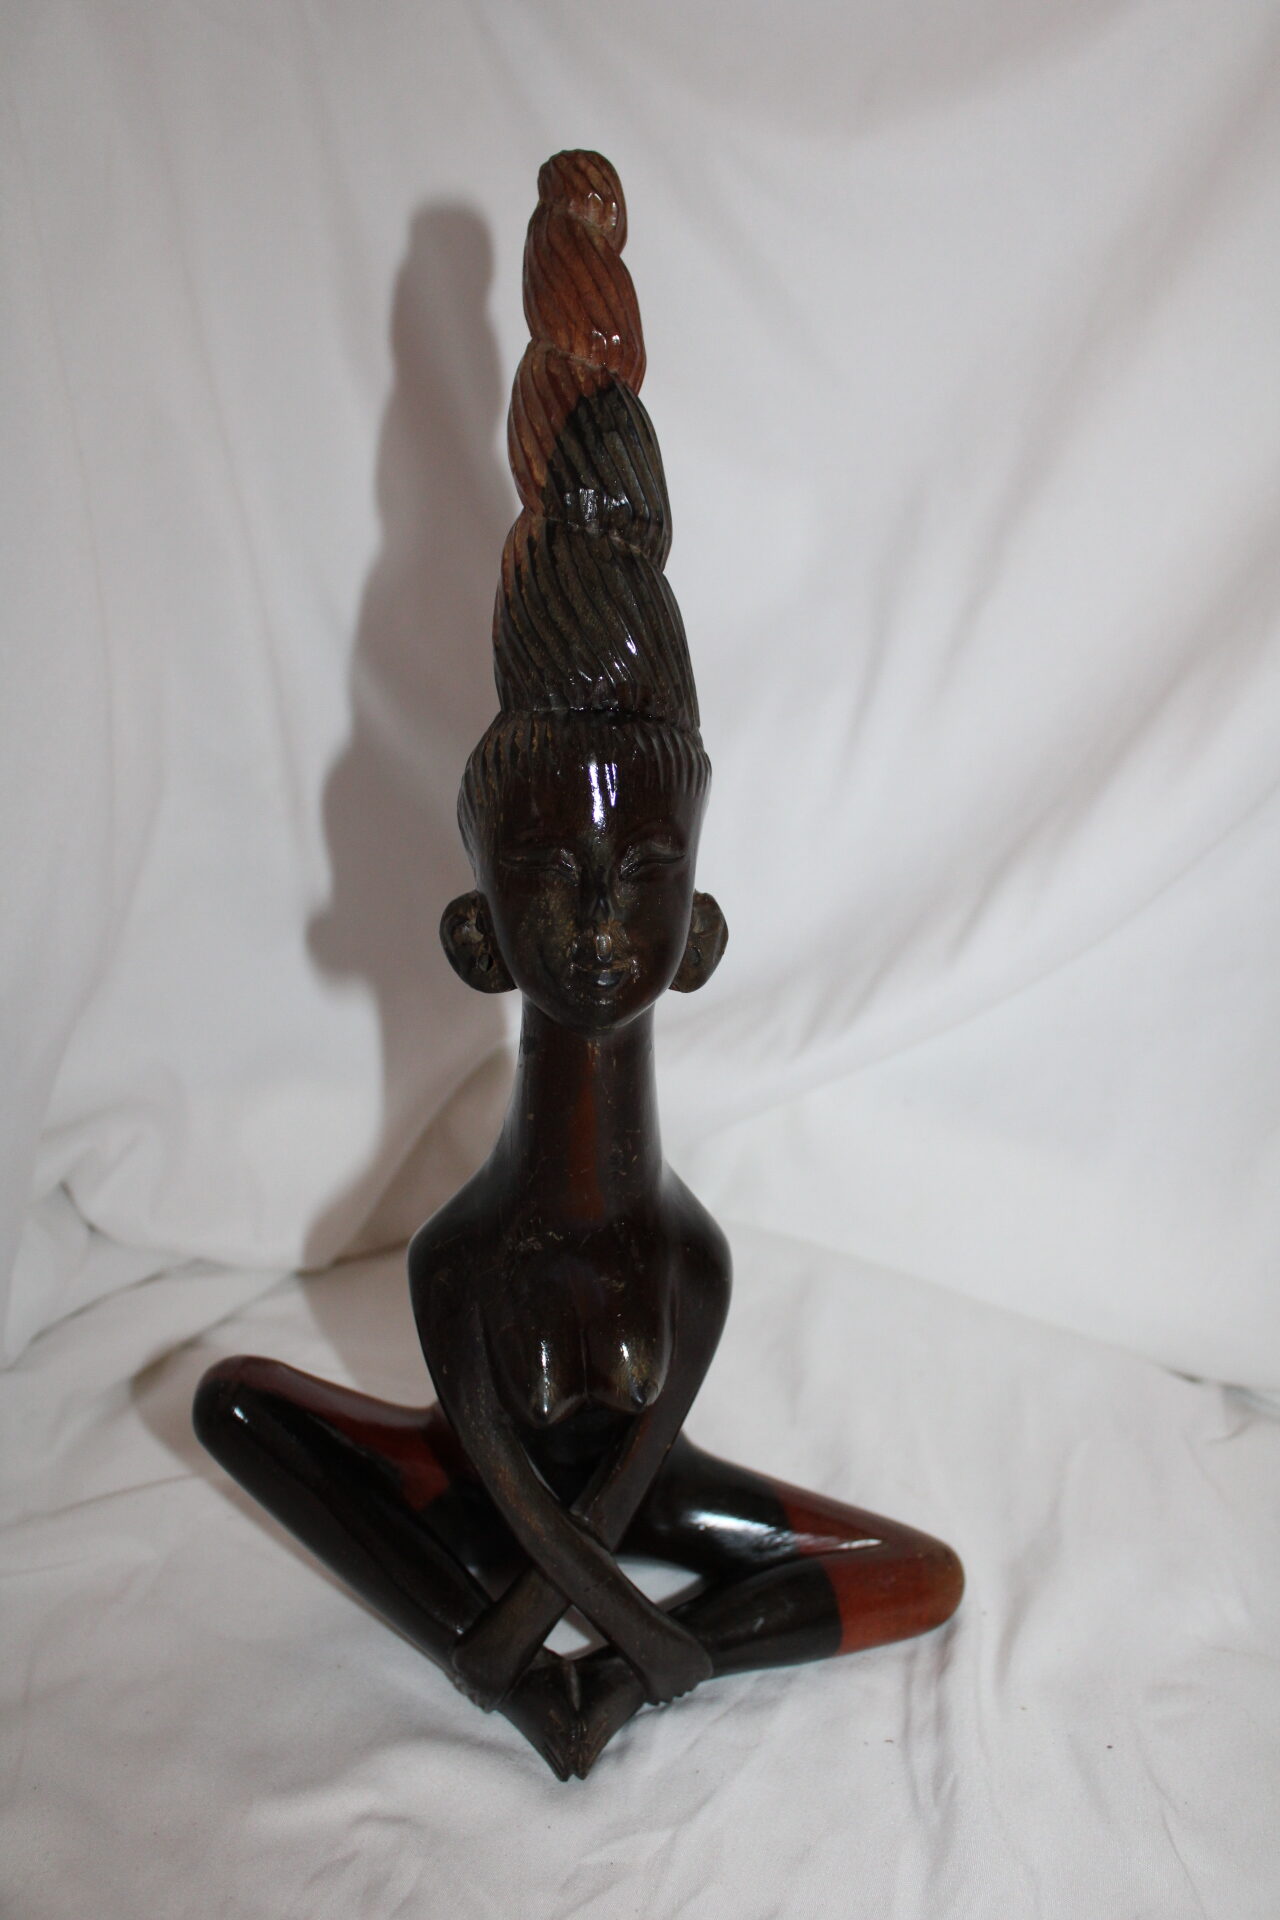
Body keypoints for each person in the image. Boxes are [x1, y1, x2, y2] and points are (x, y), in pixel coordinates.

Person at [194, 152, 962, 1780]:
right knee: (240, 1410)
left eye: (644, 880)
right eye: (551, 878)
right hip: (499, 1492)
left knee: (922, 1572)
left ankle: (571, 1606)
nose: (604, 918)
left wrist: (579, 1685)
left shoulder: (693, 1265)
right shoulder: (459, 1264)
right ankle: (637, 1614)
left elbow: (560, 1587)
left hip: (620, 1509)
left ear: (701, 933)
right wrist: (626, 1666)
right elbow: (557, 1585)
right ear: (478, 932)